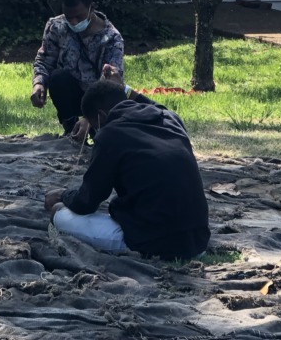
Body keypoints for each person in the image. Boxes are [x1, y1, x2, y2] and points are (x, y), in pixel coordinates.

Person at [44, 79, 210, 261]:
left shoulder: (110, 135)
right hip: (198, 240)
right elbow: (155, 105)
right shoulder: (170, 119)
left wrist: (64, 195)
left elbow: (86, 202)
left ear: (101, 116)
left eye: (94, 124)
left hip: (154, 243)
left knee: (59, 213)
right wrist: (127, 89)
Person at [31, 0, 150, 141]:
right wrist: (38, 84)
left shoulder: (111, 38)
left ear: (91, 8)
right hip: (70, 92)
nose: (73, 22)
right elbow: (45, 61)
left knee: (104, 141)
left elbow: (111, 83)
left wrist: (90, 118)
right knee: (58, 77)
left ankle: (96, 131)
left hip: (100, 97)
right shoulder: (56, 27)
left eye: (78, 17)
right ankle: (70, 129)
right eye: (68, 17)